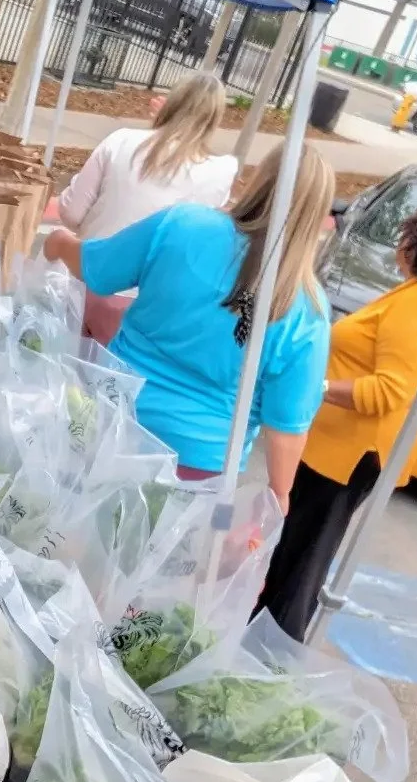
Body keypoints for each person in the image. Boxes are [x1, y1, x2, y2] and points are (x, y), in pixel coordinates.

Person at [44, 145, 335, 509]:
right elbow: (286, 427)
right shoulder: (308, 310)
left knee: (57, 534)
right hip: (197, 466)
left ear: (260, 179)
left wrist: (60, 244)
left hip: (107, 418)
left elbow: (97, 269)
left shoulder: (181, 225)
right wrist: (280, 494)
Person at [257, 194, 417, 640]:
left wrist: (315, 388)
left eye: (407, 234)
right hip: (345, 449)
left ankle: (270, 650)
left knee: (299, 562)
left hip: (349, 454)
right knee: (296, 554)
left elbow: (390, 391)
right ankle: (266, 641)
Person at [57, 73, 238, 343]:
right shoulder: (221, 171)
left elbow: (72, 213)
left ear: (171, 102)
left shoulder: (120, 141)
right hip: (146, 302)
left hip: (85, 278)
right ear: (214, 119)